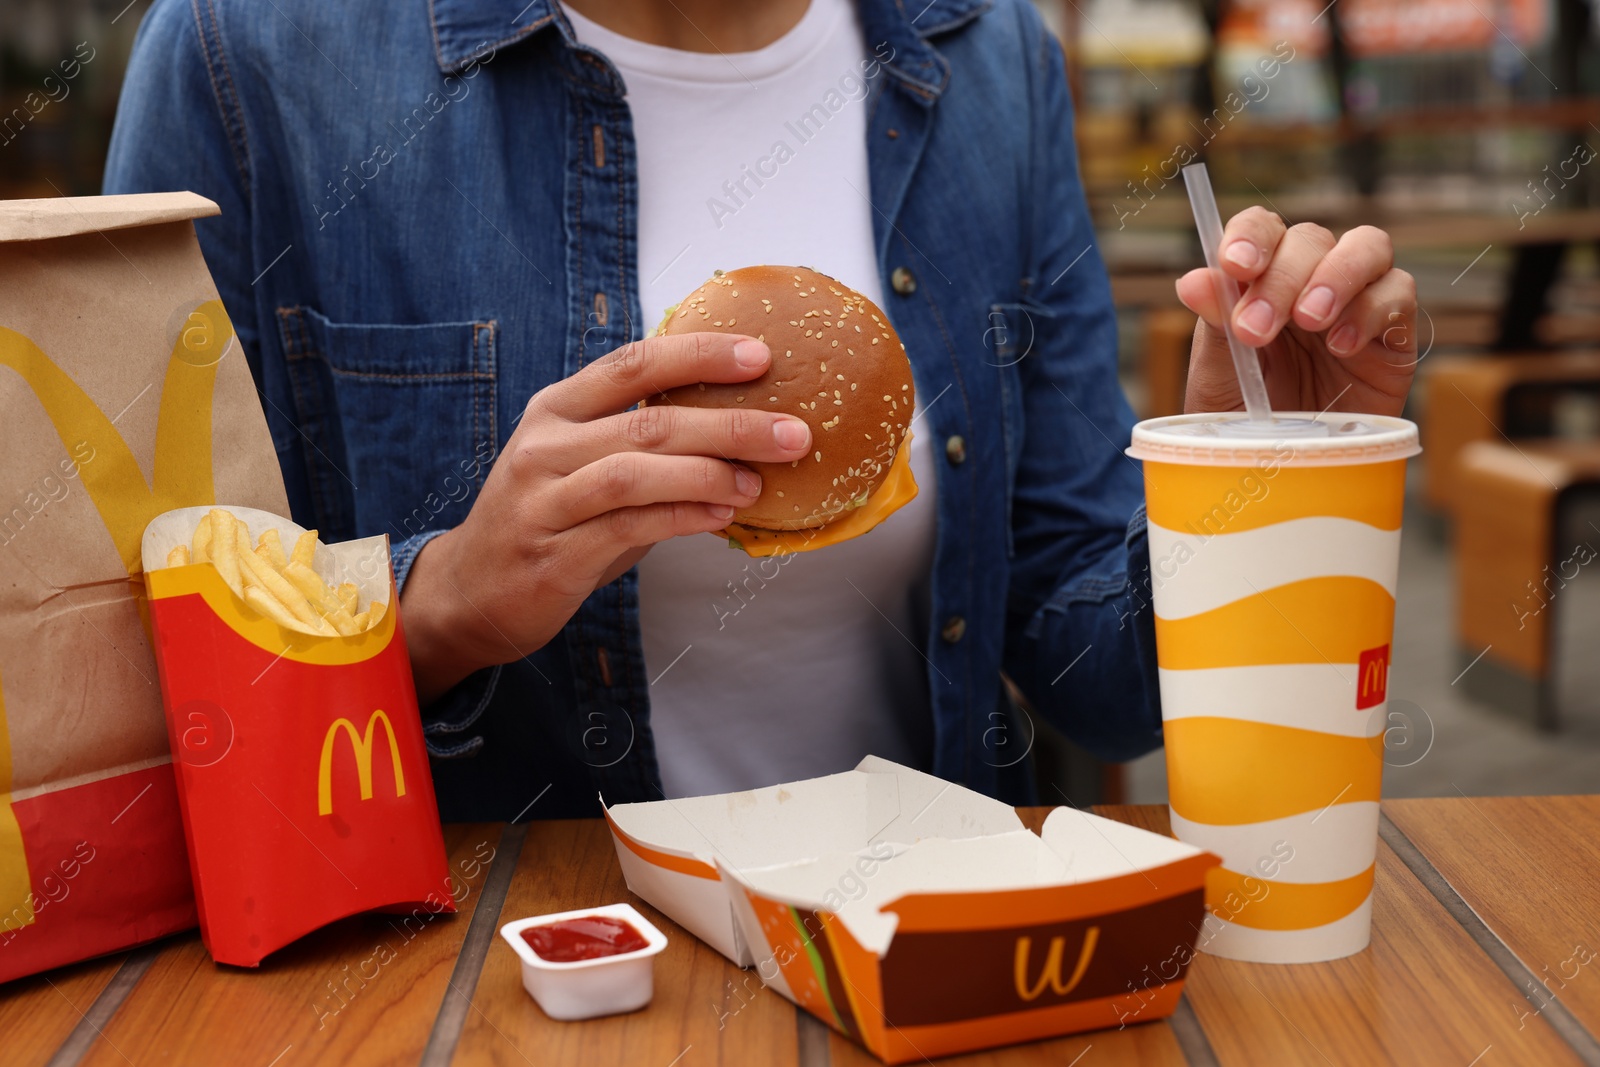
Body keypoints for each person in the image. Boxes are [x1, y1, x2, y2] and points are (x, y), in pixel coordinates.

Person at [104, 0, 1415, 819]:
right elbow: (127, 676)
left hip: (933, 969)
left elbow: (1103, 682)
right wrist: (436, 604)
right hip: (480, 984)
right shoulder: (246, 53)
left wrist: (1270, 474)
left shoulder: (987, 52)